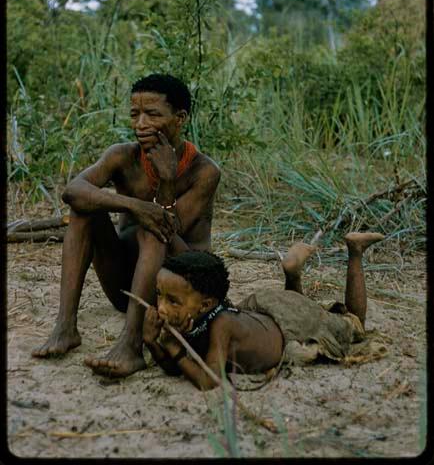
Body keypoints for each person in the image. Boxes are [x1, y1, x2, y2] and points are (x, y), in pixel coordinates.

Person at [32, 73, 221, 378]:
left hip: (179, 291)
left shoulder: (205, 171)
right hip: (127, 289)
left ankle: (131, 344)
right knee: (84, 211)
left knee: (154, 228)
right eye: (135, 114)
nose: (141, 124)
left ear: (180, 118)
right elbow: (73, 191)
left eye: (153, 115)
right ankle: (65, 326)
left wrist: (168, 182)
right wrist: (134, 205)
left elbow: (170, 230)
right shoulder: (123, 156)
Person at [141, 232, 385, 390]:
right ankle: (292, 275)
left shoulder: (221, 324)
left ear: (205, 305)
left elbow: (208, 381)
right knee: (298, 308)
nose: (161, 307)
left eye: (173, 301)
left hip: (282, 324)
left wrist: (172, 346)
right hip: (266, 308)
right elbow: (179, 367)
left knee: (353, 325)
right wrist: (153, 343)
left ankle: (355, 251)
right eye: (159, 295)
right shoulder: (204, 315)